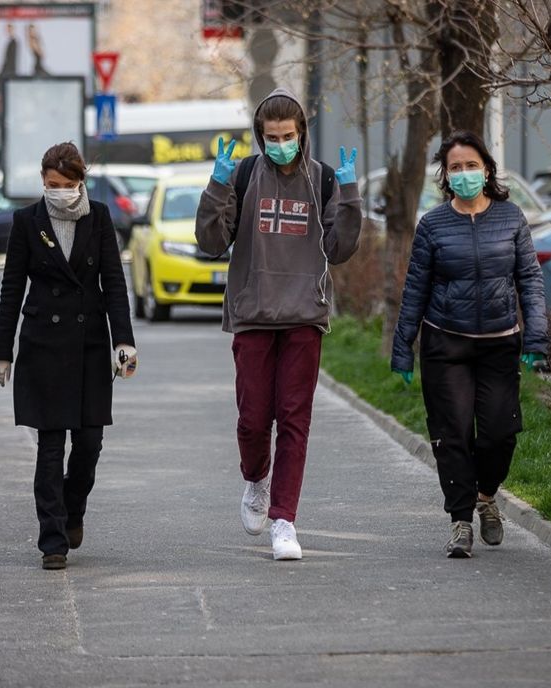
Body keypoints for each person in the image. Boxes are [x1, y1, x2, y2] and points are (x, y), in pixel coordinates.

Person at [196, 88, 362, 561]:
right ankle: (256, 481)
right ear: (260, 137)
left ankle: (284, 520)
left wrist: (348, 197)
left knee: (294, 418)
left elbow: (341, 249)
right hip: (252, 314)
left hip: (303, 315)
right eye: (272, 137)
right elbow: (210, 241)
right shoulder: (247, 175)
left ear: (302, 134)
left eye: (288, 136)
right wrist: (218, 185)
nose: (281, 144)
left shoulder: (322, 180)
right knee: (252, 420)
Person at [391, 130, 547, 559]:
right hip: (445, 343)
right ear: (446, 176)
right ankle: (461, 521)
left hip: (499, 343)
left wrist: (536, 336)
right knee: (452, 435)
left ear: (487, 169)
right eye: (455, 168)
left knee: (499, 433)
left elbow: (530, 280)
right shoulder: (433, 225)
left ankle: (485, 496)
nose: (464, 174)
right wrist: (403, 346)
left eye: (470, 166)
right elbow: (415, 289)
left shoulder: (511, 217)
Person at [0, 142, 137, 571]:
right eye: (52, 185)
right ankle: (52, 540)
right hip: (44, 347)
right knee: (50, 447)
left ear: (81, 182)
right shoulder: (26, 222)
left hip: (90, 342)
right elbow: (11, 288)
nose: (59, 192)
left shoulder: (100, 218)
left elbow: (113, 281)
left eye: (67, 185)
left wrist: (123, 342)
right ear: (42, 181)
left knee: (90, 444)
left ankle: (74, 509)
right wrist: (2, 352)